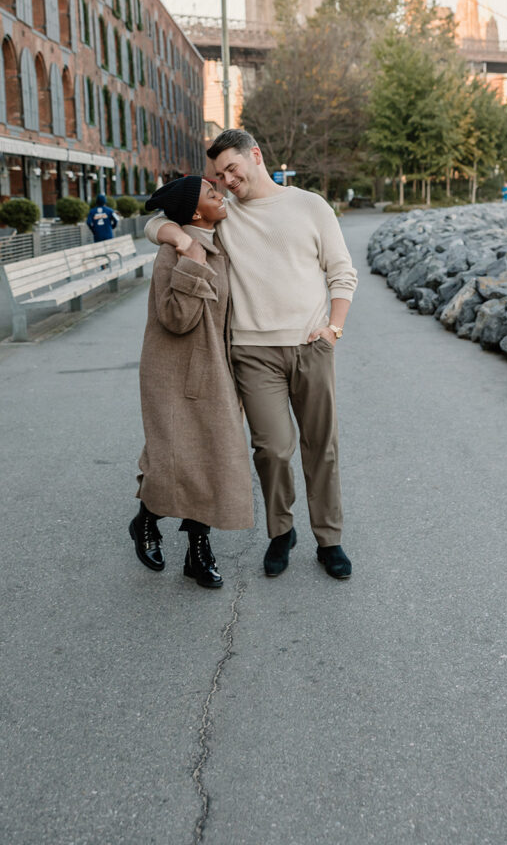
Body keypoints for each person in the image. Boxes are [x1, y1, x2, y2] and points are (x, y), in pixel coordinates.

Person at [146, 129, 358, 581]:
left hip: (312, 346)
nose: (225, 180)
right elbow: (159, 222)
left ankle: (329, 539)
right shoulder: (225, 214)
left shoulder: (310, 205)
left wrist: (333, 330)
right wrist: (174, 236)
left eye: (231, 169)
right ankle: (281, 532)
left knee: (322, 447)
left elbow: (342, 272)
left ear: (255, 156)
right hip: (252, 352)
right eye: (218, 175)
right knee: (273, 449)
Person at [129, 175, 254, 589]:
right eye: (213, 194)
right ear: (197, 211)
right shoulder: (175, 251)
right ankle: (146, 520)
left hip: (214, 370)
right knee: (174, 458)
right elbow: (177, 318)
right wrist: (189, 256)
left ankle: (197, 552)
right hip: (173, 373)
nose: (223, 196)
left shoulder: (219, 235)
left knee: (210, 458)